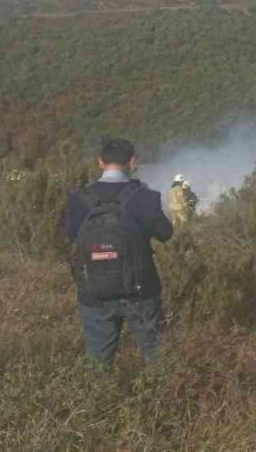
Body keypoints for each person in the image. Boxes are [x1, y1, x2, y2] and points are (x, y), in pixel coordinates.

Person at [63, 138, 173, 369]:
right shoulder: (146, 197)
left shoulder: (78, 199)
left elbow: (72, 235)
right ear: (132, 162)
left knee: (98, 363)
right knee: (157, 358)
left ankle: (100, 401)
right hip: (141, 291)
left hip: (94, 294)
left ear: (100, 162)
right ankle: (162, 400)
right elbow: (165, 233)